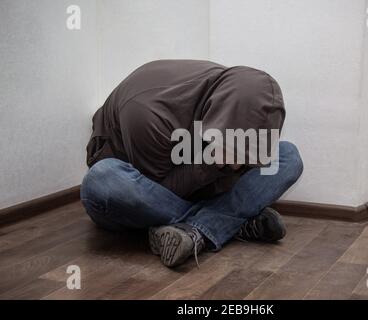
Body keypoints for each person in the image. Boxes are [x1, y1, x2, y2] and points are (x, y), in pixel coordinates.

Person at [80, 60, 303, 268]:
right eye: (237, 150)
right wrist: (213, 164)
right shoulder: (149, 112)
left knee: (288, 156)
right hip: (136, 195)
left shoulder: (234, 91)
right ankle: (227, 224)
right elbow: (160, 191)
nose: (241, 163)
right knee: (101, 178)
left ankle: (198, 228)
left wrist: (234, 158)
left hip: (193, 186)